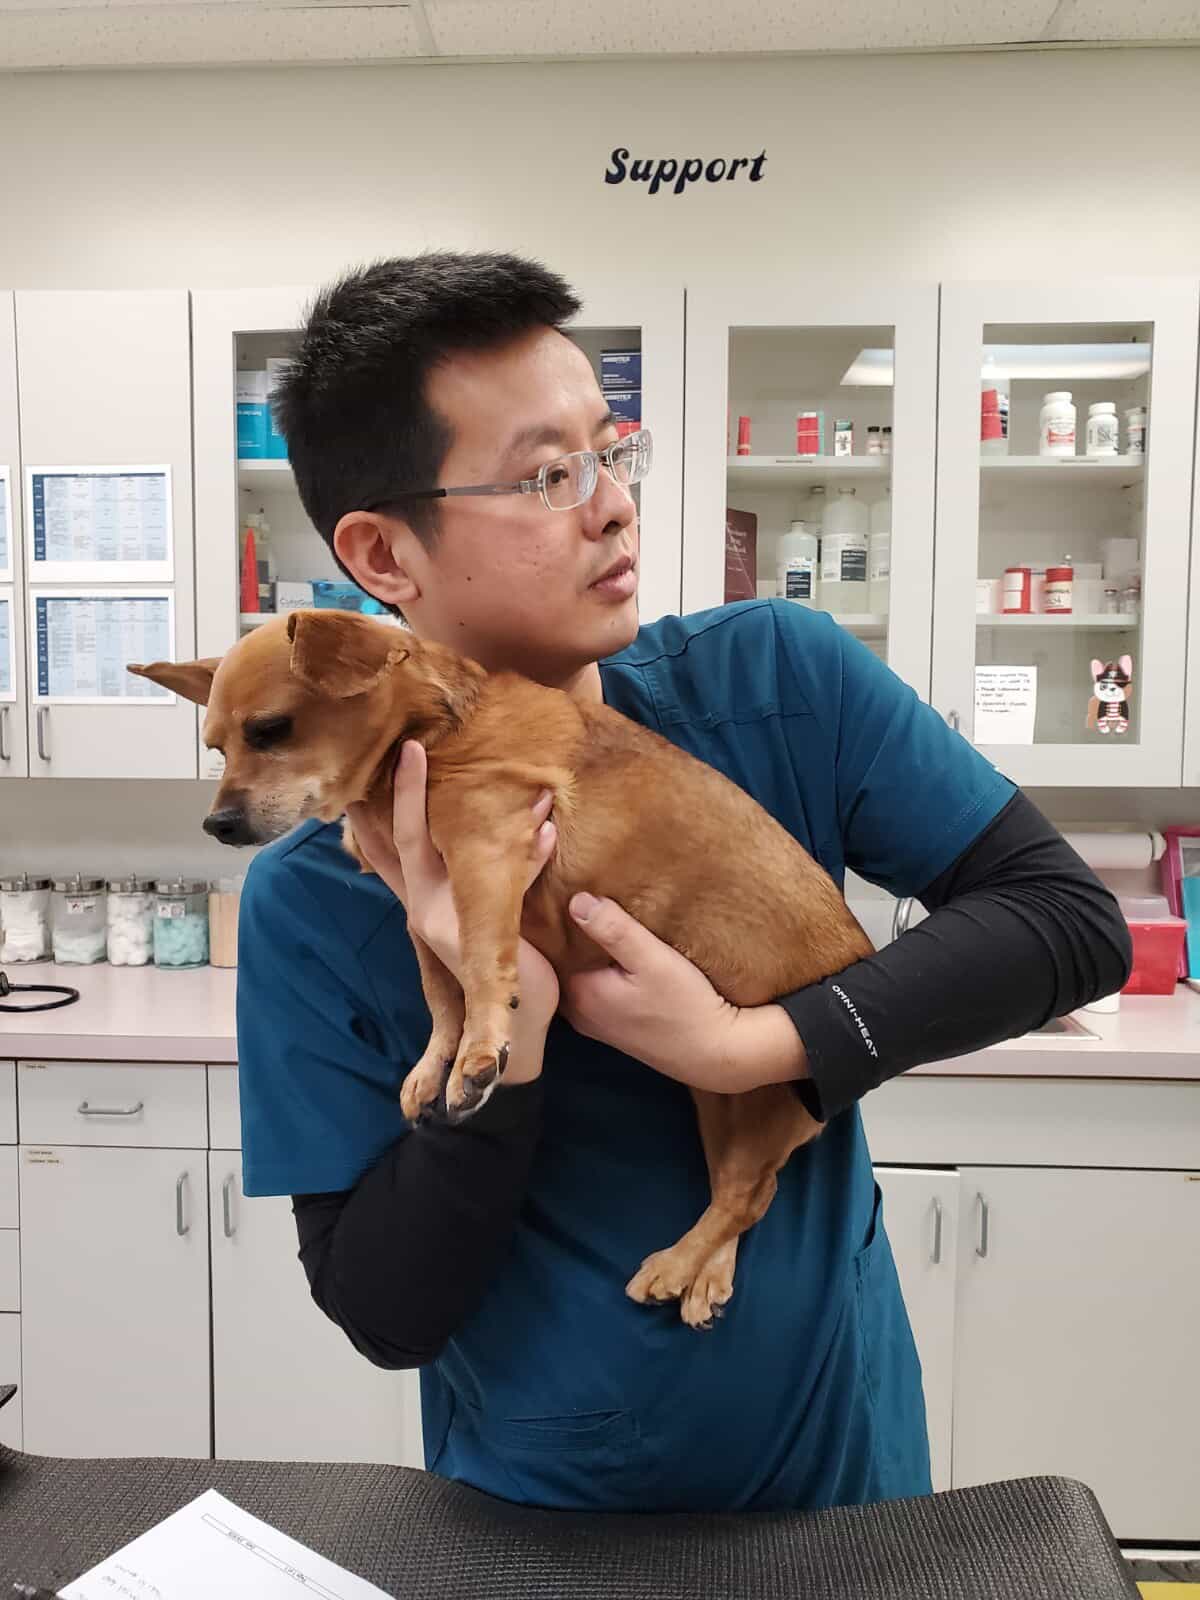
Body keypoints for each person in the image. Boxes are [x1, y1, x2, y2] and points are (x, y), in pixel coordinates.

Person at [237, 252, 1131, 1514]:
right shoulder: (314, 902)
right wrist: (510, 1036)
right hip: (544, 1521)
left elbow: (1065, 922)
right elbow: (384, 1312)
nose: (611, 507)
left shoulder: (776, 682)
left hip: (847, 1483)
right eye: (548, 475)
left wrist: (748, 1045)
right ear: (382, 551)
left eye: (613, 453)